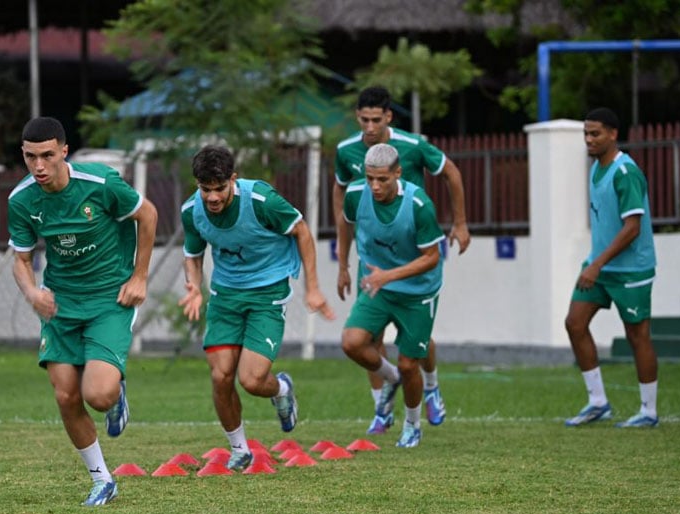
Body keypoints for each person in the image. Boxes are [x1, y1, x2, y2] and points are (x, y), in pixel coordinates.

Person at [7, 116, 158, 505]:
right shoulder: (22, 200)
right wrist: (31, 293)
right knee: (65, 396)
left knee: (99, 395)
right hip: (60, 304)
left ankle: (115, 392)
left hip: (111, 299)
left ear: (64, 152)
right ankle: (102, 479)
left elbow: (148, 215)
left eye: (47, 156)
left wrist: (140, 276)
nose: (39, 166)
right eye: (30, 157)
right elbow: (21, 260)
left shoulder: (100, 183)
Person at [178, 144, 335, 471]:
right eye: (205, 190)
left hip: (268, 292)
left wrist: (314, 287)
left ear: (233, 180)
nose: (213, 198)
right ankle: (239, 449)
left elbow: (302, 231)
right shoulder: (191, 211)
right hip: (226, 296)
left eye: (220, 189)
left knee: (251, 380)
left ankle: (282, 389)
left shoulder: (262, 200)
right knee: (221, 376)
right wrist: (193, 285)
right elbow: (192, 255)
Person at [334, 85, 469, 434]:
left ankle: (432, 386)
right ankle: (382, 406)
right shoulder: (347, 154)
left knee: (416, 345)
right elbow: (342, 199)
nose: (368, 126)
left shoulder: (411, 149)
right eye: (362, 119)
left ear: (389, 117)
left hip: (413, 253)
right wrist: (344, 262)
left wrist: (461, 223)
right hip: (374, 260)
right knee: (368, 341)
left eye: (375, 120)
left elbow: (451, 171)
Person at [338, 143, 445, 448]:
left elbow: (431, 257)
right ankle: (392, 377)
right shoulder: (356, 194)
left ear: (398, 173)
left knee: (411, 363)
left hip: (417, 291)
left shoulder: (418, 205)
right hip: (377, 285)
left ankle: (412, 424)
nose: (374, 185)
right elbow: (346, 225)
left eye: (382, 179)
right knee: (352, 342)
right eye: (370, 178)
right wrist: (344, 264)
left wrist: (388, 275)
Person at [564, 107, 659, 429]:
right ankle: (597, 402)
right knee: (575, 323)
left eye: (596, 134)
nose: (589, 140)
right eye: (586, 134)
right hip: (600, 266)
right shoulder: (595, 167)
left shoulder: (625, 172)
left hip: (630, 269)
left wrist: (597, 264)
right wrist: (595, 263)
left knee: (637, 335)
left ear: (613, 134)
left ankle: (648, 410)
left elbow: (632, 227)